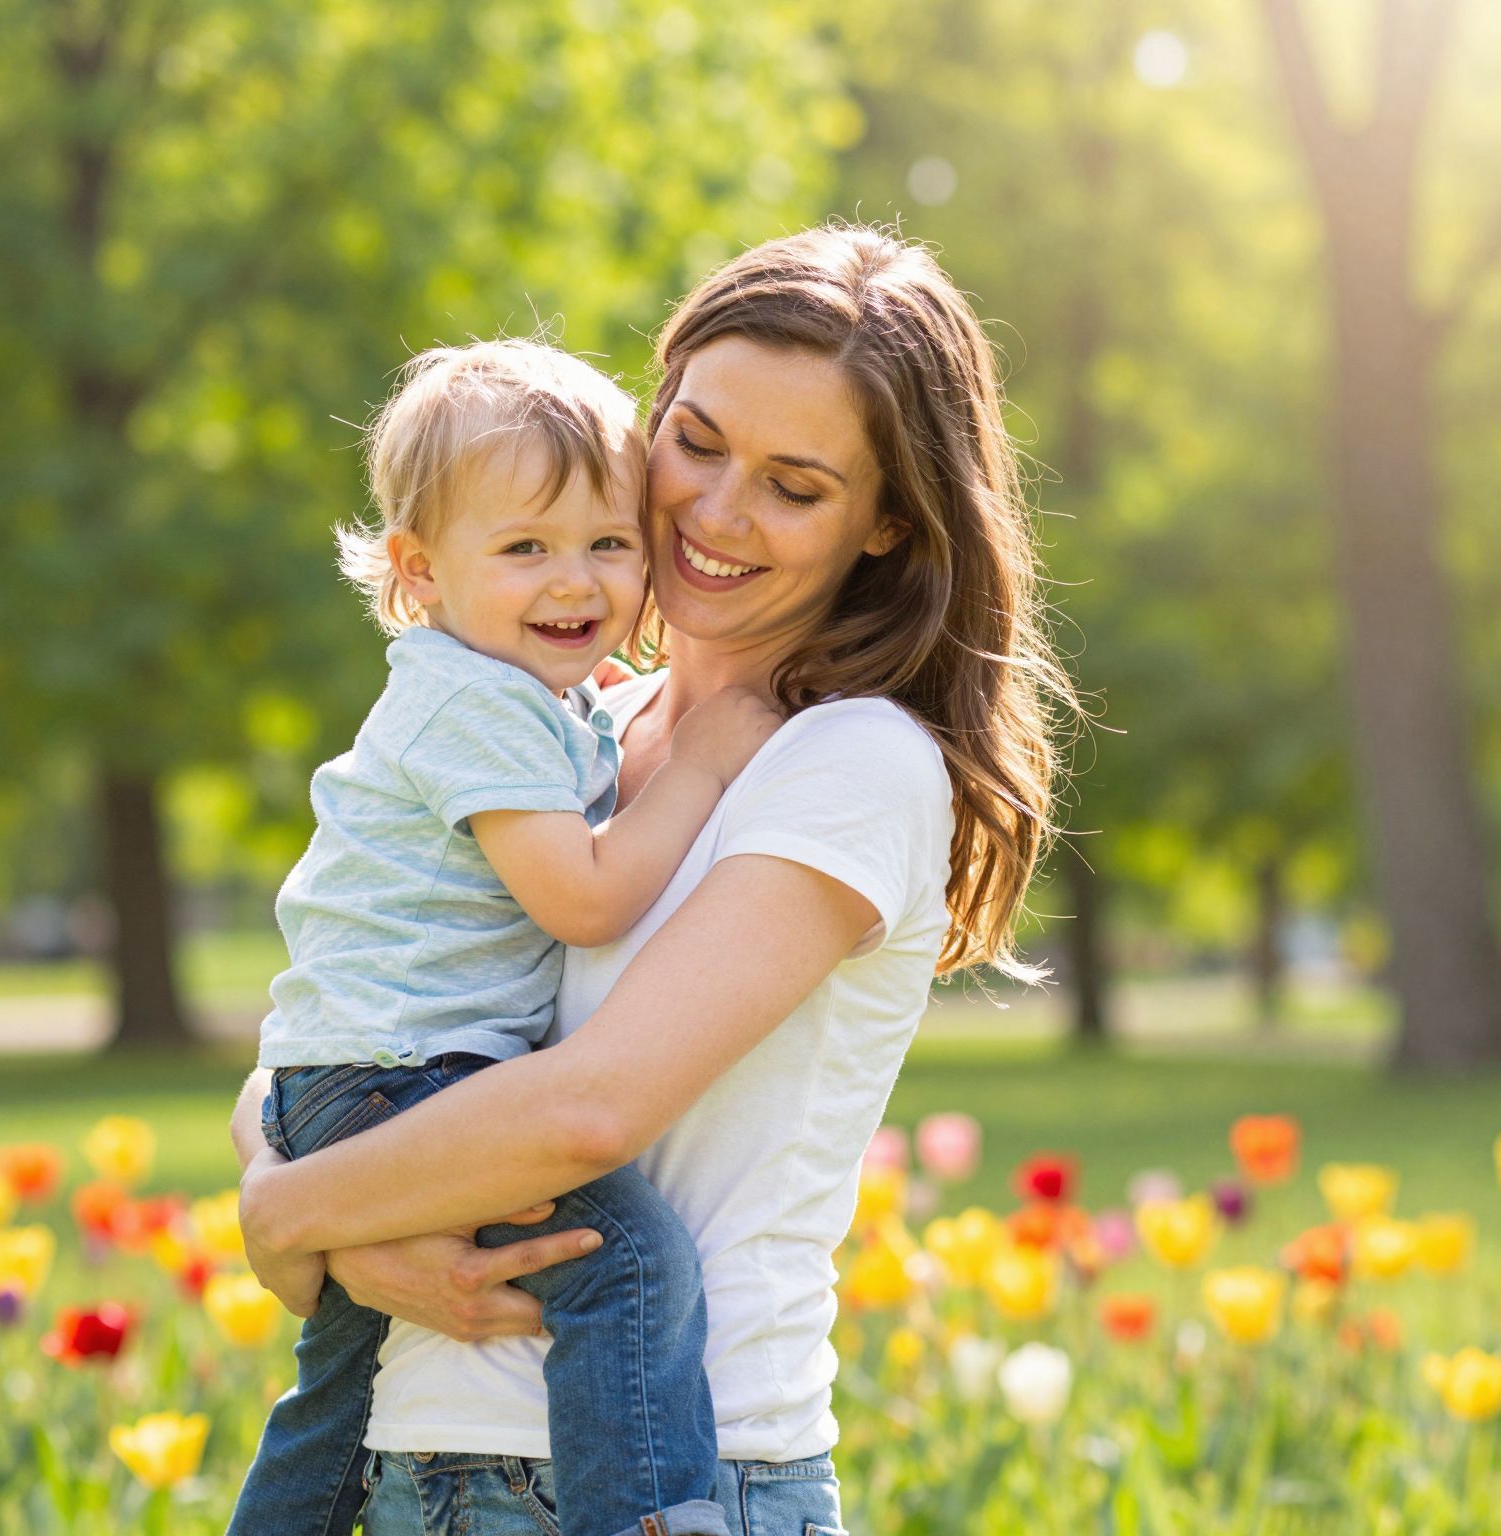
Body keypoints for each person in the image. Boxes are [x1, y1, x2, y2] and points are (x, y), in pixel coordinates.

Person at [234, 225, 1071, 1536]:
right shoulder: (565, 726)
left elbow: (589, 1113)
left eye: (796, 487)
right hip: (428, 1464)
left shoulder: (846, 761)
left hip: (673, 1478)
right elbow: (347, 1019)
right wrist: (306, 1200)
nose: (715, 511)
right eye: (697, 441)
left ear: (886, 524)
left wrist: (292, 1210)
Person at [229, 338, 779, 1536]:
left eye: (607, 544)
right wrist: (696, 765)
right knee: (626, 1264)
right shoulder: (474, 705)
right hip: (400, 1076)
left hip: (350, 1071)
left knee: (339, 1381)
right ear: (419, 571)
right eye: (524, 548)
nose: (573, 583)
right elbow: (582, 900)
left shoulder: (520, 696)